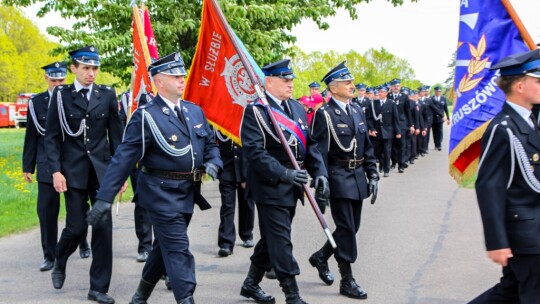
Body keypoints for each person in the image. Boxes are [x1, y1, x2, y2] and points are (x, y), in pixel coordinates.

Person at [86, 52, 222, 304]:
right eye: (175, 76)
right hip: (160, 194)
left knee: (164, 248)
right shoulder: (146, 116)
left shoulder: (194, 111)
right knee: (179, 249)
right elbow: (123, 159)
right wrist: (104, 198)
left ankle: (140, 296)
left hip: (186, 192)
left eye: (183, 75)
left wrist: (214, 162)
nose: (182, 80)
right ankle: (186, 299)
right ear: (159, 81)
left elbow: (211, 143)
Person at [239, 59, 328, 304]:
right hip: (270, 185)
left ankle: (250, 284)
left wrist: (320, 172)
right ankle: (292, 294)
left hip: (293, 186)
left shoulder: (298, 109)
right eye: (285, 80)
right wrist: (284, 173)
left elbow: (311, 145)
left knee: (271, 238)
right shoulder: (256, 111)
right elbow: (255, 153)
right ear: (269, 82)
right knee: (281, 239)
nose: (290, 84)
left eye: (291, 80)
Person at [45, 46, 124, 303]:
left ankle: (98, 288)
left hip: (102, 173)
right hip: (73, 172)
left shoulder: (107, 94)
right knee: (77, 227)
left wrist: (120, 174)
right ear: (74, 69)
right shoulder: (61, 95)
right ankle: (60, 259)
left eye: (95, 68)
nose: (91, 73)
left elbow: (117, 138)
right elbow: (53, 137)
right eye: (86, 68)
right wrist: (56, 171)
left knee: (102, 228)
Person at [470, 50, 540, 304]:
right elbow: (489, 186)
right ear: (520, 86)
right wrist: (496, 241)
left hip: (534, 229)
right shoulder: (504, 128)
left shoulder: (531, 121)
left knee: (510, 292)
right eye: (538, 81)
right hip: (526, 234)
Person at [309, 61, 379, 300]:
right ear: (332, 88)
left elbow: (366, 147)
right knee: (347, 229)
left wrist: (374, 174)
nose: (352, 85)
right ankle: (347, 280)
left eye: (351, 81)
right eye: (346, 82)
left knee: (352, 228)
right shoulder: (325, 115)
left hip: (358, 177)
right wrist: (321, 180)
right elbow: (318, 151)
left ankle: (321, 256)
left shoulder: (358, 110)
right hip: (338, 178)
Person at [22, 61, 90, 272]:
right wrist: (28, 165)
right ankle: (49, 255)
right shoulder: (37, 102)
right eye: (54, 80)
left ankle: (82, 241)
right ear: (46, 79)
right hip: (46, 163)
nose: (58, 83)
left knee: (78, 207)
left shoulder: (74, 98)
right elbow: (32, 135)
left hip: (71, 163)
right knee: (47, 210)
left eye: (61, 79)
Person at [118, 90, 154, 263]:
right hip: (138, 159)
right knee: (142, 202)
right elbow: (121, 131)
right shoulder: (128, 98)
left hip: (162, 159)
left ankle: (163, 249)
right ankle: (145, 246)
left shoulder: (165, 93)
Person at [216, 129, 255, 257]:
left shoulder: (245, 119)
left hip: (246, 169)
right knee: (227, 206)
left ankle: (246, 234)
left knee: (247, 203)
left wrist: (245, 175)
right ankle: (226, 243)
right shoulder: (220, 122)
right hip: (227, 168)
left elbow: (249, 147)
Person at [365, 85, 400, 177]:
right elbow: (369, 118)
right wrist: (372, 129)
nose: (380, 93)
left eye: (382, 92)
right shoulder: (373, 103)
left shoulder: (391, 104)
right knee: (378, 151)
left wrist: (398, 132)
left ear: (386, 93)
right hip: (377, 132)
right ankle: (381, 163)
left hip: (388, 131)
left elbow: (395, 118)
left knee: (387, 151)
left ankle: (386, 170)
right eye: (379, 92)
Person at [387, 79, 413, 173]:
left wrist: (411, 125)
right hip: (391, 125)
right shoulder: (388, 96)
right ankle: (394, 162)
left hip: (402, 124)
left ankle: (401, 165)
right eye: (394, 86)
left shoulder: (404, 96)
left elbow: (408, 111)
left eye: (397, 86)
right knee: (392, 146)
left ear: (400, 87)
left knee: (402, 145)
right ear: (391, 87)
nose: (396, 87)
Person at [430, 86, 450, 151]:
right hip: (433, 118)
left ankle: (439, 144)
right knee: (434, 132)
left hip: (441, 118)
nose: (438, 93)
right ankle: (436, 144)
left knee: (440, 131)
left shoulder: (443, 98)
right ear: (435, 92)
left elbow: (446, 108)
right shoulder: (431, 99)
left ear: (440, 92)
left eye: (439, 91)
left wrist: (448, 118)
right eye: (436, 91)